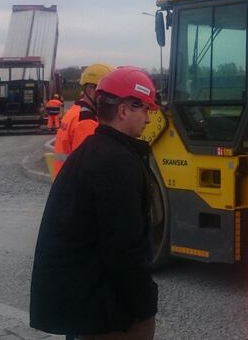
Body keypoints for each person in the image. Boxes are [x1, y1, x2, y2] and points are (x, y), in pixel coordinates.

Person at [30, 67, 160, 339]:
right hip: (104, 313)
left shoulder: (93, 150)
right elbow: (124, 248)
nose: (148, 119)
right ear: (123, 110)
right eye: (145, 109)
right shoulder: (116, 161)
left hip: (83, 305)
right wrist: (145, 304)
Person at [53, 62, 113, 174]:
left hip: (64, 178)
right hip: (73, 182)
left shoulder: (74, 111)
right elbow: (89, 167)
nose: (111, 98)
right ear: (90, 91)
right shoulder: (86, 121)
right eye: (107, 93)